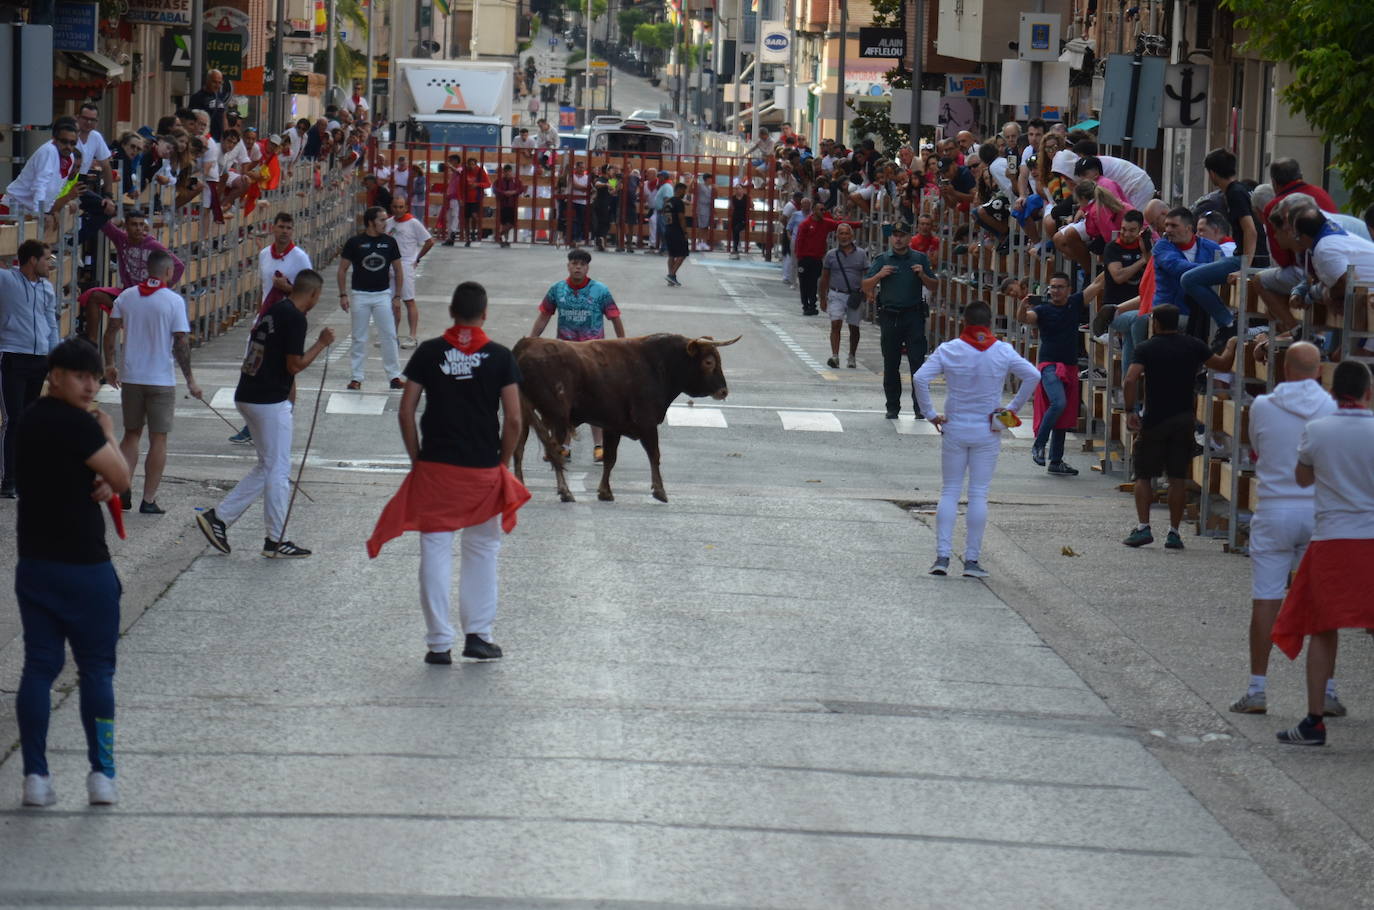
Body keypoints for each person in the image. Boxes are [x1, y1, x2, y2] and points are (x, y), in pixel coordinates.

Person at [366, 281, 530, 664]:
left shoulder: (428, 353)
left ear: (452, 313)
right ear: (484, 314)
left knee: (435, 550)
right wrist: (502, 462)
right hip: (481, 467)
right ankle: (478, 635)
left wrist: (416, 458)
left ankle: (438, 643)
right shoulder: (500, 356)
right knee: (482, 550)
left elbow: (406, 410)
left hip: (436, 466)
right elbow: (515, 419)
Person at [14, 337, 131, 808]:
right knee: (97, 672)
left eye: (96, 377)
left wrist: (97, 475)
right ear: (55, 375)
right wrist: (104, 430)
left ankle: (35, 777)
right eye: (80, 375)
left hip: (36, 565)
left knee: (39, 668)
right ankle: (102, 775)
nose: (90, 385)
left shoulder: (28, 421)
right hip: (86, 567)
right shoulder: (82, 425)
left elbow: (84, 475)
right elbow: (122, 477)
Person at [1228, 342, 1341, 717]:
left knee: (1266, 600)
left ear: (1285, 369)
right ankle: (1327, 690)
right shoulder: (1331, 406)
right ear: (1319, 370)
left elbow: (1255, 448)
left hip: (1274, 507)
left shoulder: (1262, 406)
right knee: (1323, 603)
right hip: (1318, 511)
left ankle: (1257, 688)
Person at [1269, 361, 1374, 746]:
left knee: (1322, 629)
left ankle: (1314, 721)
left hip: (1333, 538)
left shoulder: (1317, 430)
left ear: (1332, 393)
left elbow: (1302, 477)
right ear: (1368, 392)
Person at [195, 271, 335, 560]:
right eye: (317, 297)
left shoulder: (276, 309)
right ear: (312, 294)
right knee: (279, 470)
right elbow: (294, 365)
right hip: (268, 399)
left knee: (266, 466)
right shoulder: (296, 317)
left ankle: (218, 518)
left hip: (249, 392)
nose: (316, 302)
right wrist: (321, 344)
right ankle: (276, 539)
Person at [914, 300, 1042, 578]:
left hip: (955, 426)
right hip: (988, 428)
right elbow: (1033, 375)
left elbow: (919, 378)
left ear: (964, 322)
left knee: (949, 490)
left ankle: (943, 556)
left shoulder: (949, 349)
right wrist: (1011, 409)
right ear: (990, 323)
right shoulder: (1002, 350)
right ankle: (971, 560)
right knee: (978, 493)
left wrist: (931, 414)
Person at [1122, 304, 1238, 549]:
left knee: (1144, 475)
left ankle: (1143, 528)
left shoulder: (1146, 348)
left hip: (1154, 419)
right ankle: (1174, 533)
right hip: (1184, 418)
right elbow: (1224, 364)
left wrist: (1130, 409)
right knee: (1177, 478)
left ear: (1155, 323)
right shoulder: (1193, 345)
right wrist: (1233, 344)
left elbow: (1130, 378)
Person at [102, 251, 203, 514]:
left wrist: (110, 364)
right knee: (158, 438)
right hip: (160, 379)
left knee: (131, 434)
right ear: (168, 272)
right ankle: (148, 499)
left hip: (132, 376)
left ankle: (122, 488)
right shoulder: (173, 301)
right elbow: (181, 343)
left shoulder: (127, 296)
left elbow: (111, 331)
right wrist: (190, 379)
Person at [528, 248, 625, 462]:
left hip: (594, 355)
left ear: (587, 267)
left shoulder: (601, 291)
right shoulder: (557, 290)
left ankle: (600, 446)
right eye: (574, 263)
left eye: (582, 264)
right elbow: (544, 316)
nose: (578, 267)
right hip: (565, 356)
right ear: (568, 266)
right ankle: (563, 445)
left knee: (597, 401)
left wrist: (622, 344)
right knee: (564, 402)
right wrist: (531, 340)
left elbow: (615, 318)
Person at [0, 241, 62, 498]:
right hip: (13, 356)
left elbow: (51, 321)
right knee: (13, 420)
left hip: (38, 360)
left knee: (27, 421)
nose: (50, 264)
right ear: (32, 261)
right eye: (47, 259)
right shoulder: (6, 280)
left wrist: (55, 358)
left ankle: (22, 476)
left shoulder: (47, 288)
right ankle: (9, 480)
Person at [1017, 271, 1094, 476]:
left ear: (1069, 290)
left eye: (1060, 287)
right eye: (1052, 287)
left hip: (1070, 366)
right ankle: (1039, 445)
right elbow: (1025, 318)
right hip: (1049, 366)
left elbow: (1099, 284)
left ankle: (1056, 460)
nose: (1055, 290)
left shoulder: (1075, 302)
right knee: (1058, 403)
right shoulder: (1042, 309)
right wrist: (1022, 306)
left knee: (1064, 411)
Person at [861, 221, 939, 419]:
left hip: (913, 316)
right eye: (895, 235)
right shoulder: (882, 259)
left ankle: (920, 407)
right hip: (890, 316)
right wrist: (879, 275)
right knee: (891, 363)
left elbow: (934, 286)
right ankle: (892, 407)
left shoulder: (919, 258)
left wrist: (922, 275)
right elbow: (865, 286)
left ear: (909, 237)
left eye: (902, 235)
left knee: (917, 364)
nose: (898, 239)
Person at [79, 210, 186, 347]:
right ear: (126, 227)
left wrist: (162, 288)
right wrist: (114, 217)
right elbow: (103, 223)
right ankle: (91, 343)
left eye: (141, 225)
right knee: (93, 295)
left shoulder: (153, 245)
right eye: (134, 224)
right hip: (127, 294)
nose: (138, 228)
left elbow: (178, 266)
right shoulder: (121, 239)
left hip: (148, 296)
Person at [338, 206, 405, 390]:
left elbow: (398, 269)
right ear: (370, 222)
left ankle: (394, 376)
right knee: (359, 337)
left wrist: (397, 295)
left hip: (382, 294)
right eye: (382, 220)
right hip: (360, 294)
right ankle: (356, 377)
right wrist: (343, 294)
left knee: (389, 335)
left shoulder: (390, 242)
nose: (386, 223)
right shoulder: (354, 242)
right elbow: (342, 269)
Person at [386, 196, 434, 350]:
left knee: (408, 300)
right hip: (390, 265)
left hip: (405, 264)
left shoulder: (413, 223)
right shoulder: (388, 223)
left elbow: (429, 241)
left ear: (406, 207)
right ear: (391, 207)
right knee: (392, 302)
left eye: (401, 207)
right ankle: (392, 335)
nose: (398, 210)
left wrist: (417, 257)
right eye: (395, 207)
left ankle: (412, 336)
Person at [818, 222, 869, 369]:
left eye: (847, 233)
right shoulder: (831, 255)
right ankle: (835, 356)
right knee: (835, 324)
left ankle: (852, 356)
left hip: (854, 295)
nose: (844, 236)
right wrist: (822, 297)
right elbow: (825, 277)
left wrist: (867, 292)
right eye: (841, 233)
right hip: (836, 294)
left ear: (852, 236)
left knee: (854, 327)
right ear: (837, 236)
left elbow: (867, 274)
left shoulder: (861, 254)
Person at [794, 203, 858, 316]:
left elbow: (840, 224)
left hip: (817, 258)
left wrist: (859, 224)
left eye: (824, 210)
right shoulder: (805, 224)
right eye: (821, 209)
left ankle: (812, 305)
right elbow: (799, 241)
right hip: (805, 258)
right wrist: (799, 257)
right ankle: (806, 305)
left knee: (814, 282)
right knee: (804, 283)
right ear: (814, 210)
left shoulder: (825, 223)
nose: (823, 212)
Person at [74, 102, 116, 192]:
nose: (89, 122)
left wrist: (108, 195)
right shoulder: (70, 135)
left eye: (92, 120)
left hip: (82, 181)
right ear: (77, 118)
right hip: (65, 181)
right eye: (85, 118)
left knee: (104, 205)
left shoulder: (96, 137)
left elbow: (106, 166)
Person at [188, 69, 233, 141]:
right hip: (204, 138)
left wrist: (226, 136)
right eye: (214, 82)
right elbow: (191, 120)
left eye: (219, 83)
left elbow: (224, 116)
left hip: (219, 141)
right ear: (207, 81)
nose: (217, 85)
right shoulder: (197, 97)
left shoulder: (220, 96)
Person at [493, 164, 525, 249]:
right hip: (503, 205)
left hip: (512, 204)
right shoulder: (499, 181)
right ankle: (504, 240)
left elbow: (521, 189)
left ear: (511, 172)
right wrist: (504, 193)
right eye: (505, 172)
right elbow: (495, 189)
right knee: (504, 223)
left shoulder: (516, 181)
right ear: (503, 172)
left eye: (509, 172)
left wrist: (513, 192)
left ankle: (499, 235)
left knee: (512, 223)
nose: (507, 173)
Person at [663, 182, 690, 287]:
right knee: (682, 254)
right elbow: (681, 218)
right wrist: (685, 231)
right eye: (683, 190)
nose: (684, 193)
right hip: (677, 230)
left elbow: (664, 214)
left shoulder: (668, 201)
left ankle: (671, 279)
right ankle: (671, 274)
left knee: (672, 254)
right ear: (679, 190)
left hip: (668, 229)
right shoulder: (679, 202)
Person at [729, 181, 750, 259]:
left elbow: (751, 205)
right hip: (735, 217)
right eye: (737, 189)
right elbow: (731, 207)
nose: (738, 190)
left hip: (743, 218)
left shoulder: (746, 197)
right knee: (734, 232)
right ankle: (735, 248)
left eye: (740, 188)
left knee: (737, 230)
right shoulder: (733, 197)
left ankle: (735, 247)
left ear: (743, 189)